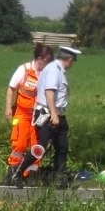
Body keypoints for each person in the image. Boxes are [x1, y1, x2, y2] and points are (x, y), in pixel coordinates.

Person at [11, 45, 81, 189]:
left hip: (59, 115)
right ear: (69, 59)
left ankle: (60, 179)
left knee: (62, 148)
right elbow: (50, 92)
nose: (72, 64)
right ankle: (18, 173)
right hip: (48, 115)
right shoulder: (54, 70)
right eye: (73, 61)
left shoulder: (58, 70)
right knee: (40, 148)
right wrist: (54, 114)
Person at [2, 43, 54, 186]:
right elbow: (11, 89)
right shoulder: (23, 70)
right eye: (47, 61)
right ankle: (11, 173)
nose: (48, 64)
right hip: (22, 113)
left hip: (38, 115)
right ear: (40, 59)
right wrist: (8, 108)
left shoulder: (46, 73)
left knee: (36, 146)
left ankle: (29, 175)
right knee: (19, 144)